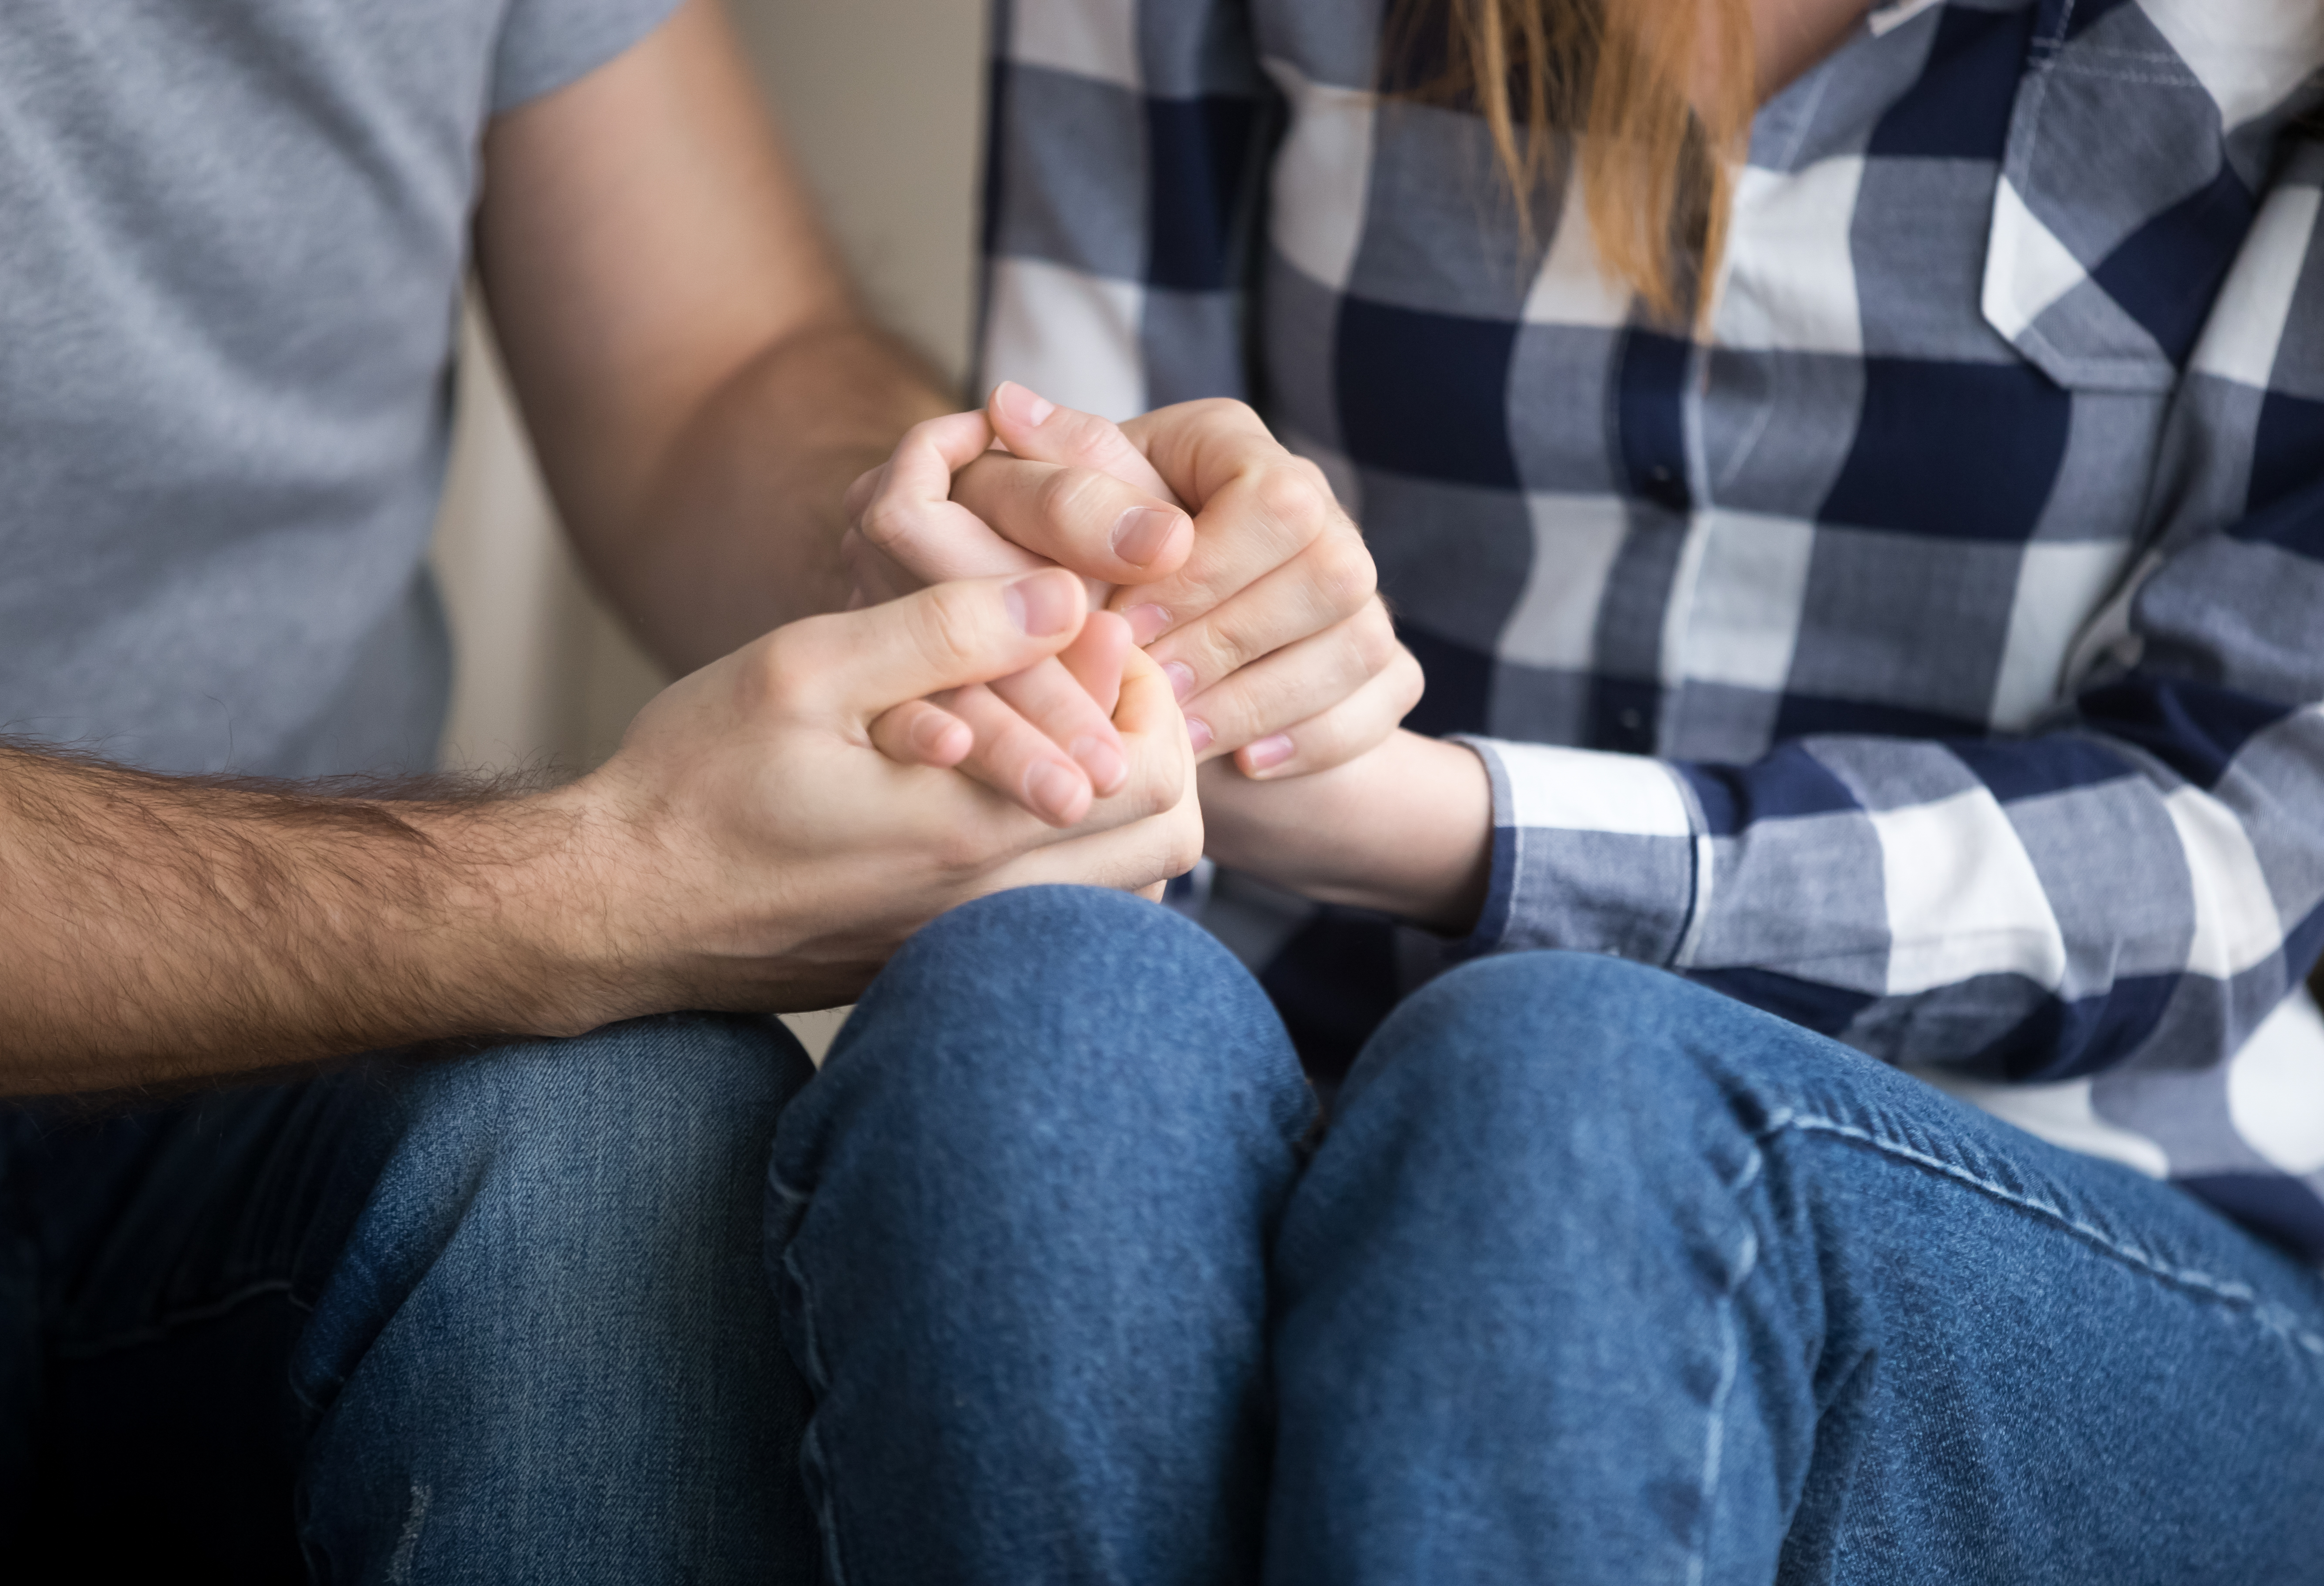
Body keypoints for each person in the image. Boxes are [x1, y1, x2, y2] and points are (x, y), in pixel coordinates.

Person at [761, 0, 2324, 1578]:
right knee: (1027, 1020)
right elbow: (1076, 533)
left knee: (1561, 1098)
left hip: (2115, 1210)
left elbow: (2228, 851)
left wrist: (1434, 820)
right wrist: (1034, 603)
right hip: (1315, 1080)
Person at [0, 0, 1404, 1576]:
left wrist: (938, 560)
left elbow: (716, 367)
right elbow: (584, 894)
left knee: (618, 1139)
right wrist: (583, 884)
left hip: (262, 1095)